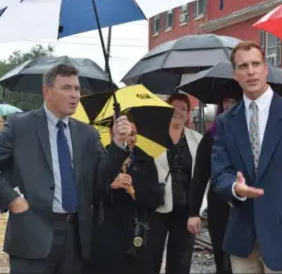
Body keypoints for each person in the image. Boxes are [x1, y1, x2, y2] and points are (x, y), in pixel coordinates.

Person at [0, 63, 132, 274]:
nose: (74, 94)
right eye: (66, 88)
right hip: (31, 237)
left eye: (76, 88)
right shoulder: (20, 126)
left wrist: (118, 144)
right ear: (47, 92)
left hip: (75, 239)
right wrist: (11, 198)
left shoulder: (87, 134)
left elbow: (101, 180)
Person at [211, 40, 282, 273]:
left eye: (255, 64)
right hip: (243, 242)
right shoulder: (226, 122)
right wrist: (234, 187)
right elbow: (219, 174)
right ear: (235, 75)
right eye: (243, 66)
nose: (250, 71)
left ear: (265, 68)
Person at [86, 115, 161, 274]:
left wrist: (134, 191)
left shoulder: (146, 161)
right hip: (106, 234)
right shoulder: (102, 157)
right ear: (111, 134)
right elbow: (90, 194)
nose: (129, 138)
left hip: (136, 234)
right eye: (124, 133)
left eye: (133, 134)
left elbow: (154, 200)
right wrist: (111, 185)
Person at [150, 93, 202, 274]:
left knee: (180, 260)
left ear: (188, 114)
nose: (178, 111)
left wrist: (198, 209)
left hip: (186, 207)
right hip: (157, 206)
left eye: (184, 108)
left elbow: (203, 175)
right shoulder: (152, 136)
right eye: (175, 107)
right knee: (151, 256)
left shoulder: (197, 139)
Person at [188, 94, 239, 274]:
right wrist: (193, 212)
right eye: (226, 100)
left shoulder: (252, 135)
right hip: (219, 205)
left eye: (234, 101)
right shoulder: (211, 137)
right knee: (222, 260)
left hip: (246, 206)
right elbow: (200, 175)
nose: (230, 105)